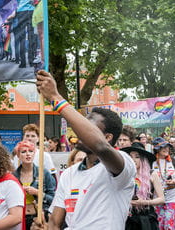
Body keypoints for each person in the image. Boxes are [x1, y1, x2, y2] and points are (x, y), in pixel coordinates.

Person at [36, 70, 136, 229]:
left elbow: (101, 147)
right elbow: (55, 223)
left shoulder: (124, 165)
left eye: (88, 127)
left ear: (108, 137)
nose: (79, 130)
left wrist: (56, 98)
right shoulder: (69, 174)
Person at [12, 140, 56, 229]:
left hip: (39, 217)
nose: (28, 154)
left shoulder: (44, 173)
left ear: (34, 153)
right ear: (18, 156)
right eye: (23, 152)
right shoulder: (13, 177)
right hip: (19, 219)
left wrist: (38, 193)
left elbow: (53, 200)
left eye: (31, 151)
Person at [122, 142, 165, 230]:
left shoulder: (152, 174)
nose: (133, 159)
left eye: (137, 157)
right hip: (128, 219)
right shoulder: (124, 175)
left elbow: (162, 199)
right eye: (130, 156)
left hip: (147, 219)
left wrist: (144, 202)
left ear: (143, 159)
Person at [151, 137, 175, 230]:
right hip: (157, 198)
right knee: (160, 224)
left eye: (167, 147)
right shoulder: (152, 162)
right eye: (163, 147)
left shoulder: (174, 161)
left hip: (173, 196)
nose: (166, 149)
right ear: (157, 149)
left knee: (169, 225)